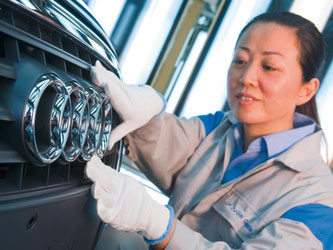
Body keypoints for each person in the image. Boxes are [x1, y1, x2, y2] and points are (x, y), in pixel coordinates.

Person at [86, 11, 333, 249]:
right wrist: (142, 115)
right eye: (240, 60)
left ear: (307, 90)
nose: (246, 77)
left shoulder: (317, 199)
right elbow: (168, 149)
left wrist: (161, 227)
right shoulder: (219, 128)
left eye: (269, 66)